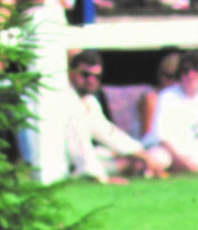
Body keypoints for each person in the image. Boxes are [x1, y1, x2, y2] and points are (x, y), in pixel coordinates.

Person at [60, 51, 171, 182]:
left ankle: (141, 167)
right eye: (85, 75)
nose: (91, 80)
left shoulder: (89, 101)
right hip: (70, 163)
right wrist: (102, 179)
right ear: (71, 73)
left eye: (96, 76)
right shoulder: (66, 99)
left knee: (160, 157)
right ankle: (136, 169)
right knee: (127, 163)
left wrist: (141, 154)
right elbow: (79, 149)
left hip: (90, 157)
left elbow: (107, 132)